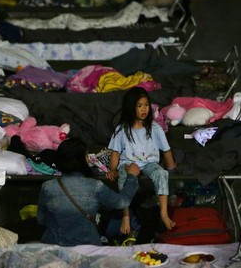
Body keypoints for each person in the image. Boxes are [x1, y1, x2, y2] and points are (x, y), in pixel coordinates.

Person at [37, 138, 140, 246]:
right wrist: (131, 177)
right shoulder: (95, 186)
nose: (89, 159)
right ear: (81, 161)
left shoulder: (47, 187)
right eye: (86, 156)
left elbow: (42, 220)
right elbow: (122, 202)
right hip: (87, 248)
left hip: (55, 247)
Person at [106, 87, 177, 235]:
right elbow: (115, 153)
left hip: (149, 163)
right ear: (130, 108)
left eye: (146, 105)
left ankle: (163, 213)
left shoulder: (155, 128)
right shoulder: (121, 130)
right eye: (139, 106)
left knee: (161, 173)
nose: (144, 109)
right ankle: (126, 215)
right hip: (128, 164)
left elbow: (166, 150)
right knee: (123, 178)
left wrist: (171, 167)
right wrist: (113, 169)